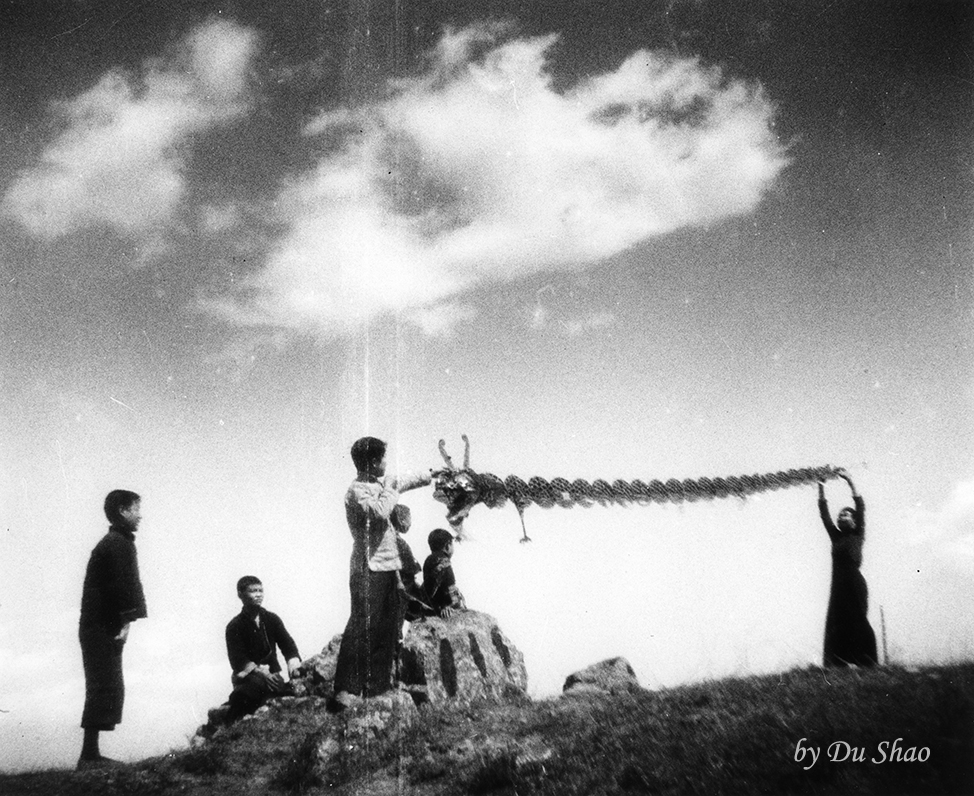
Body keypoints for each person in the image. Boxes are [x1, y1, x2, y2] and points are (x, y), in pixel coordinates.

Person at [331, 437, 433, 708]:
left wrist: (431, 475)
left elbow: (407, 480)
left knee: (388, 628)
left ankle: (377, 687)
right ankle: (346, 690)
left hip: (390, 567)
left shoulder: (380, 484)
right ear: (374, 462)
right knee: (362, 626)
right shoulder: (357, 490)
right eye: (384, 459)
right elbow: (379, 511)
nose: (386, 464)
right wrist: (390, 489)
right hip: (368, 567)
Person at [78, 489, 147, 770]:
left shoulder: (118, 542)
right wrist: (126, 621)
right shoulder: (116, 544)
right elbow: (122, 586)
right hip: (101, 627)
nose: (140, 515)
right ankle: (89, 757)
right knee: (103, 686)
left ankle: (91, 754)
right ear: (122, 510)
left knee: (107, 685)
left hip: (100, 626)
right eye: (136, 509)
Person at [818, 469, 878, 667]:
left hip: (854, 583)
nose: (841, 516)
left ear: (854, 521)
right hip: (838, 586)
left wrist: (850, 480)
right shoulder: (836, 537)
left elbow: (860, 506)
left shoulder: (858, 534)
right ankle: (840, 663)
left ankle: (867, 661)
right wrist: (821, 487)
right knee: (837, 622)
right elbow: (825, 516)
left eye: (846, 514)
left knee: (858, 620)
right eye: (840, 514)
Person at [224, 576, 302, 723]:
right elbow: (238, 659)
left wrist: (293, 662)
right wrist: (261, 673)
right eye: (253, 591)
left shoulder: (272, 619)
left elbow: (287, 644)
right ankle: (229, 726)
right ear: (240, 594)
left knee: (288, 693)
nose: (258, 595)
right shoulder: (234, 626)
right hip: (249, 678)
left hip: (273, 676)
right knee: (249, 692)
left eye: (260, 590)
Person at [391, 504, 433, 622]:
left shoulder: (393, 539)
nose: (410, 523)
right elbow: (409, 567)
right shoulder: (398, 542)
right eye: (409, 519)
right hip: (404, 588)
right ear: (401, 519)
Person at [423, 528, 467, 618]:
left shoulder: (429, 560)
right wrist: (447, 605)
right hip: (443, 608)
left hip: (432, 604)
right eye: (452, 544)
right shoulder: (444, 561)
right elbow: (449, 585)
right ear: (447, 546)